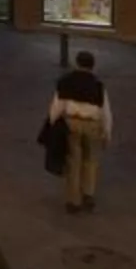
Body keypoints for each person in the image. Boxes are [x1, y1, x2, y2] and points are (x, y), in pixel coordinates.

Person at [49, 48, 112, 214]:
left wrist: (53, 122)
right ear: (92, 66)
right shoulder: (98, 85)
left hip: (72, 123)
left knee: (73, 161)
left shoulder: (65, 81)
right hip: (92, 124)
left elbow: (57, 106)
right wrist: (107, 131)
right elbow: (105, 110)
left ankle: (73, 201)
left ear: (76, 63)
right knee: (91, 160)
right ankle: (88, 194)